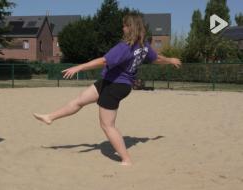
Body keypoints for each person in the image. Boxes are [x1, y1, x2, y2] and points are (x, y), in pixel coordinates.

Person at [33, 14, 181, 166]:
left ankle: (126, 160)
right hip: (110, 82)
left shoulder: (124, 47)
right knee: (80, 100)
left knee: (107, 125)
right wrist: (171, 60)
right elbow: (156, 58)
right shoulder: (144, 46)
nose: (122, 28)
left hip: (116, 86)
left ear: (131, 27)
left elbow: (104, 61)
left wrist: (80, 67)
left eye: (124, 25)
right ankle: (50, 117)